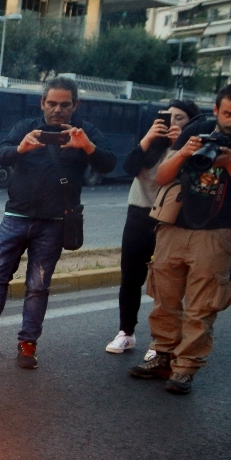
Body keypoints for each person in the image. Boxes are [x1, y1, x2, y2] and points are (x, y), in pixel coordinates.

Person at [0, 76, 116, 369]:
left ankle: (28, 344)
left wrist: (87, 147)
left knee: (38, 286)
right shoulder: (26, 127)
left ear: (75, 105)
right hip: (16, 215)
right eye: (52, 103)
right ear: (42, 103)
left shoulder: (85, 132)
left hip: (53, 222)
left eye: (65, 104)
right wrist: (20, 149)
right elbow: (1, 154)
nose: (58, 110)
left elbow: (109, 164)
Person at [129, 87, 231, 394]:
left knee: (202, 305)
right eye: (227, 113)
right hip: (175, 224)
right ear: (215, 111)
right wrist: (185, 152)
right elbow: (161, 176)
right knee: (165, 296)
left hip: (217, 231)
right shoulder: (197, 130)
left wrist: (227, 163)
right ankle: (162, 356)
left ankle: (185, 368)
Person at [106, 100, 197, 354]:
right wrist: (147, 139)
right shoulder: (150, 146)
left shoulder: (193, 149)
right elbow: (128, 169)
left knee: (166, 281)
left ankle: (162, 341)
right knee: (131, 276)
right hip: (139, 213)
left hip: (171, 220)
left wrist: (182, 146)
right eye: (167, 117)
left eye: (180, 118)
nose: (172, 123)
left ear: (191, 122)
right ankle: (126, 332)